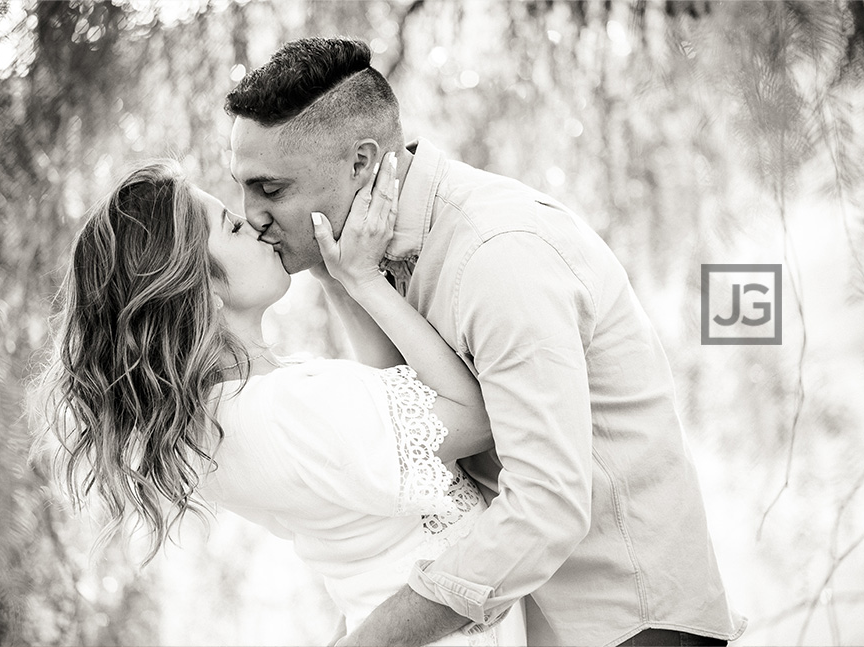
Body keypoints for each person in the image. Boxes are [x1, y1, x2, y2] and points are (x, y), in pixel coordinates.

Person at [223, 37, 748, 646]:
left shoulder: (498, 255)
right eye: (242, 188)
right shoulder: (359, 261)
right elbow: (426, 452)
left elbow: (546, 504)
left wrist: (369, 642)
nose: (250, 214)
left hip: (627, 625)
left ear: (362, 164)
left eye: (271, 190)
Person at [36, 158, 528, 646]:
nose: (253, 224)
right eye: (230, 226)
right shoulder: (285, 409)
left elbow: (394, 401)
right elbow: (474, 419)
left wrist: (332, 275)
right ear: (202, 287)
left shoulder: (212, 425)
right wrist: (364, 279)